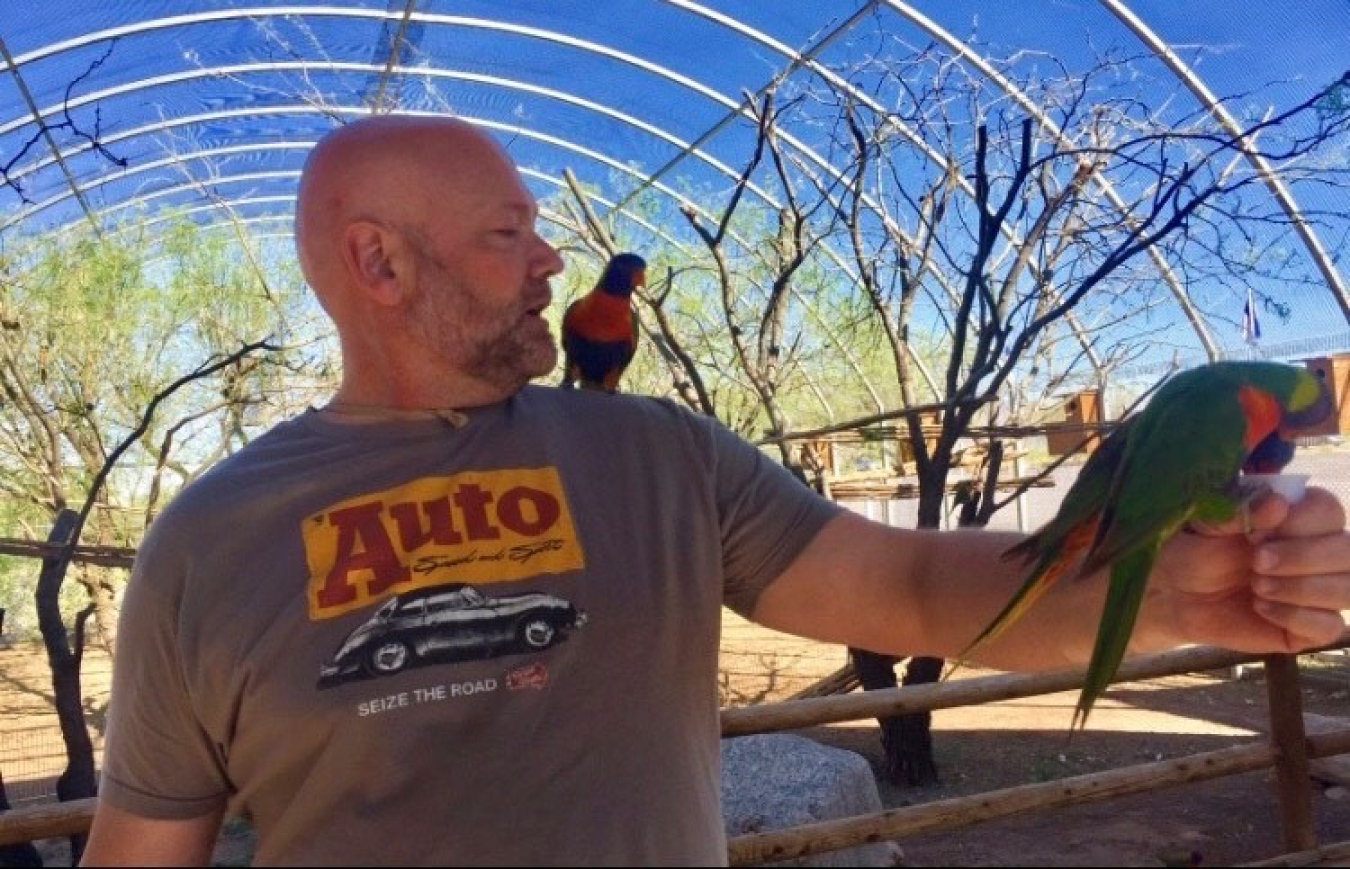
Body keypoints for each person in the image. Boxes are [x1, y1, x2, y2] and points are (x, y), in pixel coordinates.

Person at [82, 115, 1350, 867]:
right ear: (378, 262)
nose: (550, 256)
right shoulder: (207, 542)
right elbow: (141, 848)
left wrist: (1180, 585)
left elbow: (912, 582)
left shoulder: (656, 455)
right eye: (506, 233)